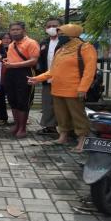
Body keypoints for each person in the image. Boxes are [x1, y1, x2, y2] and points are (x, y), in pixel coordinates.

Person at [28, 24, 97, 152]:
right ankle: (63, 137)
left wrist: (83, 88)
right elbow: (52, 71)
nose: (60, 36)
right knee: (61, 115)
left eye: (63, 34)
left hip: (75, 90)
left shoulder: (85, 47)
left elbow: (89, 71)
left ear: (73, 34)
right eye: (59, 34)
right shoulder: (61, 50)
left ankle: (82, 141)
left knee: (78, 116)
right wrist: (37, 79)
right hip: (57, 89)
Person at [3, 21, 40, 138]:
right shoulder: (11, 44)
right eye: (12, 30)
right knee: (12, 100)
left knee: (23, 101)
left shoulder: (31, 43)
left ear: (23, 30)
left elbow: (34, 61)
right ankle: (17, 124)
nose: (14, 32)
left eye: (17, 29)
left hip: (25, 73)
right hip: (10, 73)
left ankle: (23, 128)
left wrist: (13, 65)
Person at [36, 18, 63, 136]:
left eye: (55, 25)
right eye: (49, 26)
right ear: (45, 29)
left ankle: (68, 130)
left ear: (61, 27)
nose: (52, 28)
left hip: (65, 80)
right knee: (48, 104)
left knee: (64, 104)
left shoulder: (67, 41)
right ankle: (50, 127)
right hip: (47, 78)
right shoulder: (44, 43)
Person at [0, 32, 11, 125]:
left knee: (14, 99)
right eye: (4, 38)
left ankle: (20, 119)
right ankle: (2, 118)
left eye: (8, 38)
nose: (6, 40)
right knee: (0, 99)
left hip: (12, 77)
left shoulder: (15, 49)